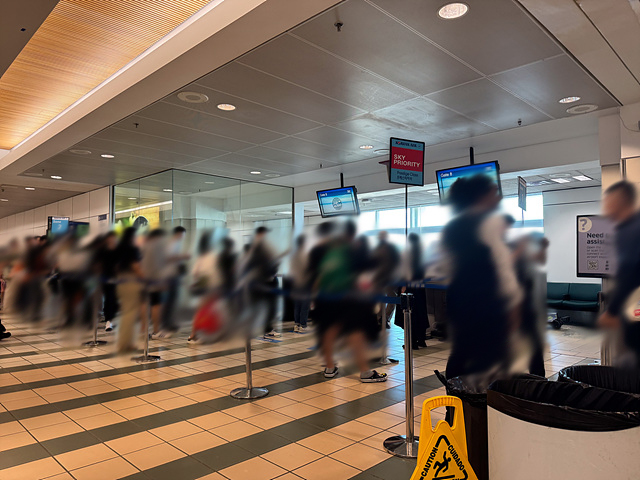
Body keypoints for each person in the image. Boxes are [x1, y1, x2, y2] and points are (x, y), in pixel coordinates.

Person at [441, 174, 522, 379]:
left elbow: (448, 267)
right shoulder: (489, 223)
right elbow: (502, 267)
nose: (498, 198)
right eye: (494, 193)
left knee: (461, 355)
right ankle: (482, 397)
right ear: (481, 196)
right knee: (489, 360)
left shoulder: (452, 227)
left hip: (460, 301)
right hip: (488, 302)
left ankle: (456, 397)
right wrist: (514, 306)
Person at [310, 221, 387, 383]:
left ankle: (329, 367)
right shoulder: (347, 248)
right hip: (345, 297)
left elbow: (316, 275)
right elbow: (365, 267)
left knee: (328, 331)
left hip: (325, 297)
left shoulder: (322, 251)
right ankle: (365, 372)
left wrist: (315, 297)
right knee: (355, 332)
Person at [599, 181, 640, 365]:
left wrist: (612, 311)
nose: (605, 208)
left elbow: (629, 272)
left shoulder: (629, 230)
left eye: (607, 202)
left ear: (619, 201)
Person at [395, 232, 428, 349]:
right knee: (420, 312)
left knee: (409, 313)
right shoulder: (421, 254)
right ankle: (421, 339)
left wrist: (403, 286)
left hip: (409, 288)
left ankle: (412, 341)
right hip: (419, 288)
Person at [114, 227, 143, 353]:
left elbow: (116, 267)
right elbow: (135, 266)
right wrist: (145, 278)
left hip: (121, 282)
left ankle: (127, 343)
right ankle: (124, 344)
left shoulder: (118, 249)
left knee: (126, 312)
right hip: (131, 282)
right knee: (130, 314)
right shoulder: (132, 249)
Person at [161, 226, 189, 335]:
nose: (183, 237)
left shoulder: (175, 243)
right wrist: (182, 256)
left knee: (172, 300)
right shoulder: (171, 243)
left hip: (173, 275)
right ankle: (166, 324)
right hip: (170, 275)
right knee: (170, 300)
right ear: (178, 233)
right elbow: (168, 258)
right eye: (182, 235)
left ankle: (169, 323)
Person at [141, 229, 169, 339]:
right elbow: (158, 265)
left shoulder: (145, 246)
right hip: (154, 280)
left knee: (145, 303)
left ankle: (144, 328)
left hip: (144, 279)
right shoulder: (157, 247)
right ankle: (156, 330)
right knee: (156, 305)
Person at [371, 231, 400, 329]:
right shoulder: (377, 249)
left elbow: (396, 262)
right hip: (380, 278)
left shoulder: (390, 248)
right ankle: (381, 318)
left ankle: (384, 318)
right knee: (381, 299)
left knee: (391, 297)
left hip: (389, 278)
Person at [97, 232, 119, 332]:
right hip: (105, 278)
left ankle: (110, 318)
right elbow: (99, 264)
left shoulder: (118, 250)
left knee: (113, 299)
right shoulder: (103, 251)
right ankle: (108, 320)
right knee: (109, 299)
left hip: (116, 278)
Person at [290, 235, 311, 333]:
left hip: (296, 283)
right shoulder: (305, 255)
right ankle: (303, 325)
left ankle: (297, 324)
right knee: (304, 305)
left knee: (298, 305)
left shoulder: (294, 255)